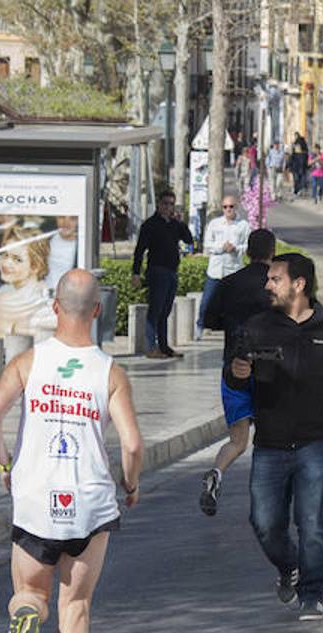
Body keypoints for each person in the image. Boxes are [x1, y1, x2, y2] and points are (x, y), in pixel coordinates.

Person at [0, 269, 143, 633]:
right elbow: (132, 444)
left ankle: (25, 617)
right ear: (98, 311)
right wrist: (130, 483)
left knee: (32, 593)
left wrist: (3, 462)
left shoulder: (28, 363)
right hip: (89, 503)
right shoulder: (110, 373)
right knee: (76, 605)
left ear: (55, 308)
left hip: (35, 498)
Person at [225, 253, 323, 621]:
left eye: (275, 279)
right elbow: (234, 376)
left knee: (313, 521)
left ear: (299, 284)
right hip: (270, 443)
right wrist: (237, 372)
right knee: (264, 522)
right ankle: (289, 566)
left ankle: (312, 594)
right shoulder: (256, 327)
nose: (267, 285)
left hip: (317, 442)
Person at [197, 227, 276, 516]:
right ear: (272, 253)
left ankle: (217, 473)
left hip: (234, 365)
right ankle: (267, 494)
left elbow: (209, 319)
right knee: (271, 436)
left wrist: (232, 323)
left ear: (248, 252)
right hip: (269, 367)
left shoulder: (228, 283)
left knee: (238, 440)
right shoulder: (276, 285)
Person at [131, 190, 194, 360]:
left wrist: (181, 222)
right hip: (157, 271)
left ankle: (164, 346)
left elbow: (189, 240)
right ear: (158, 204)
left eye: (171, 204)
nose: (168, 207)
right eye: (165, 203)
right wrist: (136, 273)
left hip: (172, 271)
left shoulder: (175, 224)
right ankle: (151, 347)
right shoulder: (150, 224)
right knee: (155, 310)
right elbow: (139, 250)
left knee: (165, 311)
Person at [200, 195, 251, 338]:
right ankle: (201, 326)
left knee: (235, 303)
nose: (228, 209)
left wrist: (236, 248)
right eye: (225, 207)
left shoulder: (243, 225)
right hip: (216, 269)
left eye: (231, 206)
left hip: (234, 269)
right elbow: (207, 244)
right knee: (207, 300)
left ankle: (235, 330)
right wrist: (221, 247)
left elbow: (248, 245)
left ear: (236, 207)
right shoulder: (214, 223)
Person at [0, 226, 53, 335]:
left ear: (35, 266)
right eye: (5, 255)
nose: (6, 263)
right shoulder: (48, 293)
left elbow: (1, 344)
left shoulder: (6, 302)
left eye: (17, 259)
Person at [46, 215, 80, 289]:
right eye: (62, 217)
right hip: (44, 293)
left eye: (72, 219)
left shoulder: (81, 246)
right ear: (56, 218)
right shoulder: (47, 239)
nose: (66, 223)